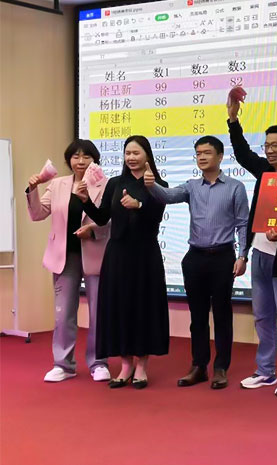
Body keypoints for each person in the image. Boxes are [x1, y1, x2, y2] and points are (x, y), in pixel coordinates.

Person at [146, 135, 249, 390]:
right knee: (197, 316)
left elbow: (243, 224)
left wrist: (242, 256)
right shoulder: (192, 186)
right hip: (195, 257)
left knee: (222, 314)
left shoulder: (235, 187)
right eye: (198, 153)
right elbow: (167, 196)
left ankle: (221, 367)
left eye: (207, 152)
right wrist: (151, 184)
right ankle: (199, 366)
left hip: (223, 257)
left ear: (220, 156)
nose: (201, 157)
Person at [226, 87, 277, 396]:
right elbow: (242, 152)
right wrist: (233, 119)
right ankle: (265, 371)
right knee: (262, 316)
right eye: (267, 145)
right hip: (259, 253)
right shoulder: (263, 171)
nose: (270, 151)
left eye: (276, 145)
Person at [75, 135, 170, 389]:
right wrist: (85, 201)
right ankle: (125, 365)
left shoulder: (157, 184)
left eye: (136, 153)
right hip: (117, 255)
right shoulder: (115, 183)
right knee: (119, 308)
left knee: (142, 308)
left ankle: (141, 366)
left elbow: (156, 217)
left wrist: (139, 205)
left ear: (147, 155)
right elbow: (102, 217)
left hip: (145, 256)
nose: (131, 158)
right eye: (127, 153)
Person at [26, 140, 111, 383]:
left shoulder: (105, 184)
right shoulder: (57, 184)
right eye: (75, 156)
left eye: (86, 156)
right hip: (64, 257)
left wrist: (92, 231)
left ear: (94, 160)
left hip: (96, 254)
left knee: (98, 312)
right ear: (69, 160)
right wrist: (32, 189)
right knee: (63, 314)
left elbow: (110, 220)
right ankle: (63, 364)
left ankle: (99, 362)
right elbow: (37, 214)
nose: (81, 161)